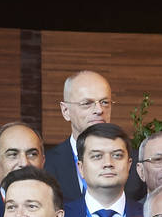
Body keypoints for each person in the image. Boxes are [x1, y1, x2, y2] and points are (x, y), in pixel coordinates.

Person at [46, 70, 143, 204]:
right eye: (87, 103)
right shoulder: (46, 165)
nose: (99, 110)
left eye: (104, 102)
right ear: (65, 111)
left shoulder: (137, 161)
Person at [58, 122, 143, 217]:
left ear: (129, 165)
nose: (108, 163)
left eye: (117, 155)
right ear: (81, 167)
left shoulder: (147, 215)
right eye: (97, 156)